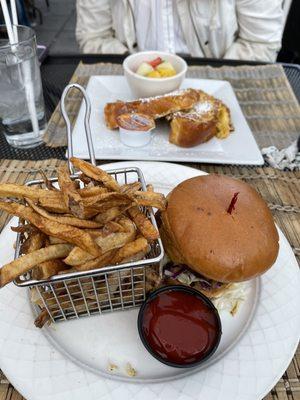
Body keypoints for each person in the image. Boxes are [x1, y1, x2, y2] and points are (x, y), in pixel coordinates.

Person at [76, 0, 284, 62]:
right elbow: (94, 38)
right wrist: (135, 70)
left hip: (221, 87)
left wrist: (216, 79)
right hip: (129, 86)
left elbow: (259, 44)